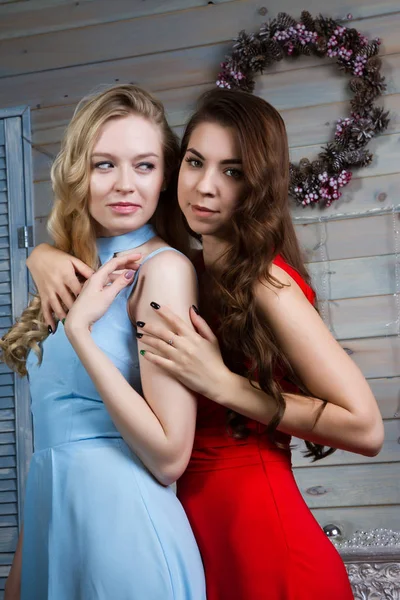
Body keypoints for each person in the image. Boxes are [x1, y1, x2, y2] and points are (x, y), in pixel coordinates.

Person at [25, 89, 384, 600]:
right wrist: (40, 254)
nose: (206, 186)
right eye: (196, 162)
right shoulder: (181, 269)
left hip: (263, 539)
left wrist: (223, 383)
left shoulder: (265, 281)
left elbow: (366, 428)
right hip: (195, 529)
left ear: (257, 185)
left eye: (232, 171)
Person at [1, 85, 206, 600]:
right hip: (55, 536)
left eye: (144, 166)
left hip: (126, 538)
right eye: (103, 165)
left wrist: (79, 334)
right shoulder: (71, 273)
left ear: (164, 180)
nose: (124, 185)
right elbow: (53, 455)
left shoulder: (164, 272)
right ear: (78, 175)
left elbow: (168, 457)